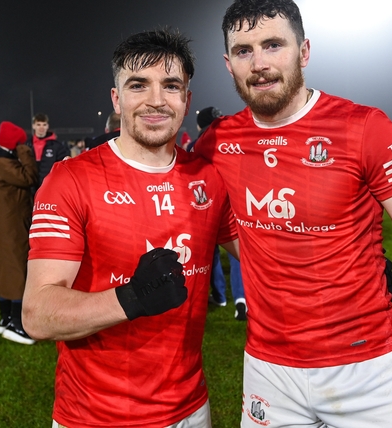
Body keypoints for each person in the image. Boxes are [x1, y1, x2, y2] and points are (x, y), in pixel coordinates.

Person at [194, 0, 392, 428]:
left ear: (303, 51)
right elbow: (211, 219)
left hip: (368, 366)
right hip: (269, 369)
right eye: (243, 51)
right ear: (228, 64)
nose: (259, 63)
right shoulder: (217, 142)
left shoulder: (364, 129)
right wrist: (268, 255)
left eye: (273, 45)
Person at [22, 28, 237, 428]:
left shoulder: (208, 177)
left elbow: (263, 257)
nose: (156, 100)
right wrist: (132, 297)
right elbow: (37, 314)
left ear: (187, 100)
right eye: (139, 85)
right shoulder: (71, 179)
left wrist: (351, 268)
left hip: (192, 409)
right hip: (96, 417)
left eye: (171, 86)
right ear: (117, 99)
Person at [0, 121, 38, 344]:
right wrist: (25, 152)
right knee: (15, 271)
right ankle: (16, 323)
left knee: (4, 271)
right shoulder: (3, 163)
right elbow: (29, 178)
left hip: (5, 222)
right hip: (8, 224)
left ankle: (5, 319)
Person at [189, 106, 248, 320]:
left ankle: (220, 296)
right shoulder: (236, 140)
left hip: (208, 204)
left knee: (211, 254)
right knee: (238, 255)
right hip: (239, 203)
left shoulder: (198, 145)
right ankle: (241, 300)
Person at [26, 113, 68, 188]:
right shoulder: (27, 145)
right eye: (38, 124)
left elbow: (63, 166)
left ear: (47, 126)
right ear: (33, 126)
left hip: (49, 186)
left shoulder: (56, 146)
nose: (41, 127)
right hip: (30, 188)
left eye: (44, 124)